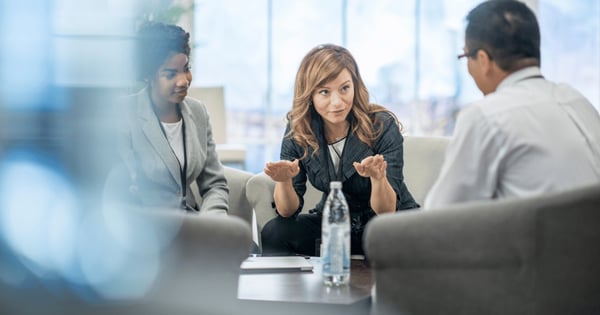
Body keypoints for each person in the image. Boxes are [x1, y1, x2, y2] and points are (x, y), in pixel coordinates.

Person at [425, 0, 600, 208]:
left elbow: (440, 216)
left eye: (465, 56)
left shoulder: (485, 117)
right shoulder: (577, 100)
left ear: (482, 60)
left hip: (540, 239)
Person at [262, 44, 419, 256]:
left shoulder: (381, 125)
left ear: (355, 85)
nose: (337, 102)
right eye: (324, 92)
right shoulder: (299, 128)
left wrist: (378, 178)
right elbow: (287, 211)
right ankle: (294, 288)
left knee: (395, 240)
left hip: (385, 226)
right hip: (334, 222)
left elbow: (386, 211)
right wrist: (284, 181)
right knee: (275, 232)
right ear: (310, 95)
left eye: (344, 88)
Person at [115, 21, 228, 213]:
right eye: (170, 74)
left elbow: (215, 185)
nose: (183, 81)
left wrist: (213, 223)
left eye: (186, 68)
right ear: (148, 76)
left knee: (246, 243)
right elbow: (122, 191)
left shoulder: (198, 112)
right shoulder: (124, 114)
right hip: (148, 229)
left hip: (192, 225)